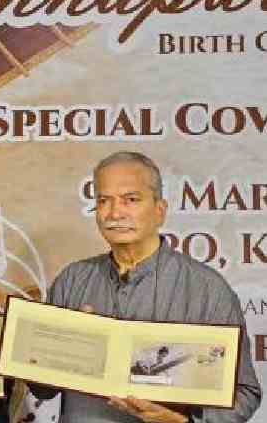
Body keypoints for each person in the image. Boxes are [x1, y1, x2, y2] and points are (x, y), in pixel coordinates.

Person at [29, 151, 261, 423]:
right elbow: (42, 389)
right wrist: (59, 352)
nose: (115, 213)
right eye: (104, 201)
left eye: (131, 200)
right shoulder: (72, 280)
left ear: (159, 210)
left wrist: (183, 422)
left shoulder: (207, 288)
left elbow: (244, 393)